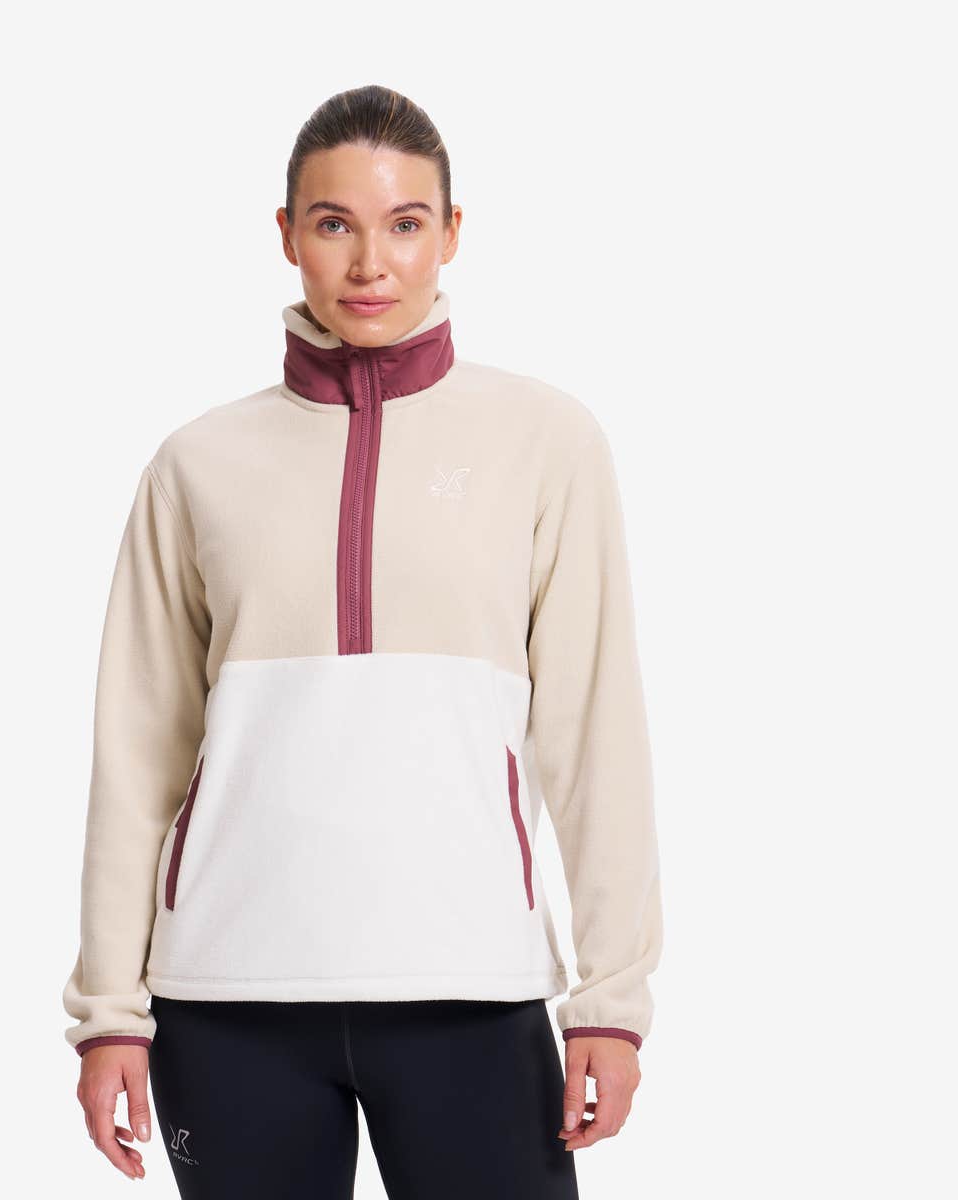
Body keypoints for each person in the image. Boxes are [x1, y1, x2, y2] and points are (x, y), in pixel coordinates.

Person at [63, 83, 663, 1199]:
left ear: (452, 233)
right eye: (334, 223)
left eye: (405, 223)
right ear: (287, 234)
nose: (370, 264)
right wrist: (109, 1015)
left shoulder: (546, 441)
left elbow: (597, 735)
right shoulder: (197, 464)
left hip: (472, 990)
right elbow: (137, 756)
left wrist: (611, 1003)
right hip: (227, 1002)